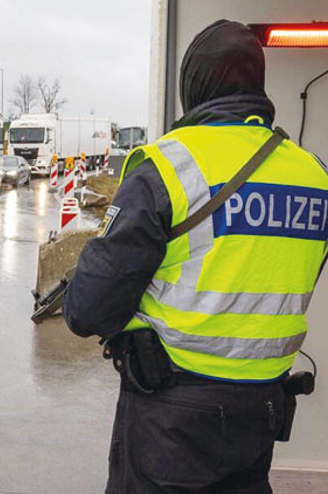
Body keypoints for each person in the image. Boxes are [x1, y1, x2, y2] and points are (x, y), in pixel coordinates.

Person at [63, 20, 328, 493]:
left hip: (172, 414)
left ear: (194, 87)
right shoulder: (314, 175)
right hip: (261, 411)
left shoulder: (168, 166)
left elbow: (86, 309)